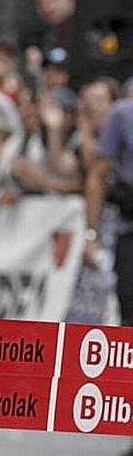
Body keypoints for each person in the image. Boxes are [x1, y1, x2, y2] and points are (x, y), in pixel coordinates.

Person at [85, 98, 133, 327]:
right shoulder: (123, 113)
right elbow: (97, 175)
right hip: (130, 230)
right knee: (129, 310)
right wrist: (92, 233)